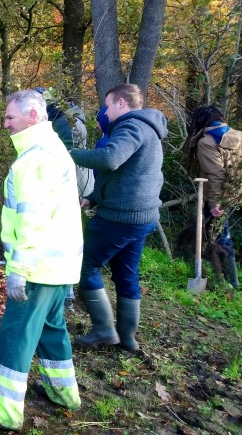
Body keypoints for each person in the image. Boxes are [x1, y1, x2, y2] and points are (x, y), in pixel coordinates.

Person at [0, 89, 82, 432]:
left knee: (16, 335)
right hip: (60, 266)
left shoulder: (32, 160)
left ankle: (3, 412)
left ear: (32, 116)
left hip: (38, 268)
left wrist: (18, 271)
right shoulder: (55, 149)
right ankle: (65, 394)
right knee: (50, 329)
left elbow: (31, 221)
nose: (5, 124)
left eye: (10, 117)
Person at [69, 83, 167, 352]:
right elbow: (128, 175)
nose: (106, 111)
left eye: (108, 105)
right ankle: (127, 337)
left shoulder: (131, 126)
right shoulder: (149, 128)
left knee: (86, 265)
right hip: (142, 216)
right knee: (126, 275)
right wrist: (94, 197)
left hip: (120, 218)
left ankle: (103, 330)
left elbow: (111, 159)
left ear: (122, 104)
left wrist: (68, 156)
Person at [182, 105, 239, 288]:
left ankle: (227, 282)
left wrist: (215, 202)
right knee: (221, 234)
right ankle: (228, 280)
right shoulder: (237, 135)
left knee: (219, 237)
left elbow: (216, 174)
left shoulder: (207, 141)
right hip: (234, 194)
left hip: (218, 197)